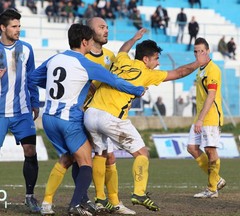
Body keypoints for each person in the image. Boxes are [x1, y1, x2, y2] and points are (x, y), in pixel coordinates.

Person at [84, 28, 208, 212]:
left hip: (91, 113)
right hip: (111, 117)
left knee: (101, 154)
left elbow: (123, 49)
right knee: (142, 153)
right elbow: (180, 72)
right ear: (146, 59)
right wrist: (198, 62)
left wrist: (134, 38)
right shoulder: (147, 73)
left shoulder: (122, 60)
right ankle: (139, 193)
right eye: (156, 59)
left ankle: (100, 199)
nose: (157, 64)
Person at [32, 23, 145, 216]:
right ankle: (75, 204)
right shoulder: (85, 63)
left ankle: (51, 203)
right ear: (84, 42)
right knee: (86, 163)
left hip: (48, 119)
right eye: (91, 41)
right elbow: (115, 81)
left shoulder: (55, 58)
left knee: (69, 159)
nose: (92, 44)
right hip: (69, 119)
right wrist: (137, 90)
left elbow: (33, 77)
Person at [0, 8, 40, 213]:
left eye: (19, 26)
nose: (18, 30)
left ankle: (30, 196)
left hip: (23, 111)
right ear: (3, 28)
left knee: (31, 152)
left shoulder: (27, 49)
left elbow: (32, 78)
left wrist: (35, 102)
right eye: (14, 27)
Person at [187, 37, 226, 198]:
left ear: (208, 51)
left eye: (201, 51)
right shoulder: (200, 70)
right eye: (195, 51)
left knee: (210, 150)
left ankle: (211, 189)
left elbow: (211, 96)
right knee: (192, 147)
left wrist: (201, 119)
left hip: (209, 118)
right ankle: (216, 180)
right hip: (200, 117)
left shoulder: (213, 69)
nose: (198, 54)